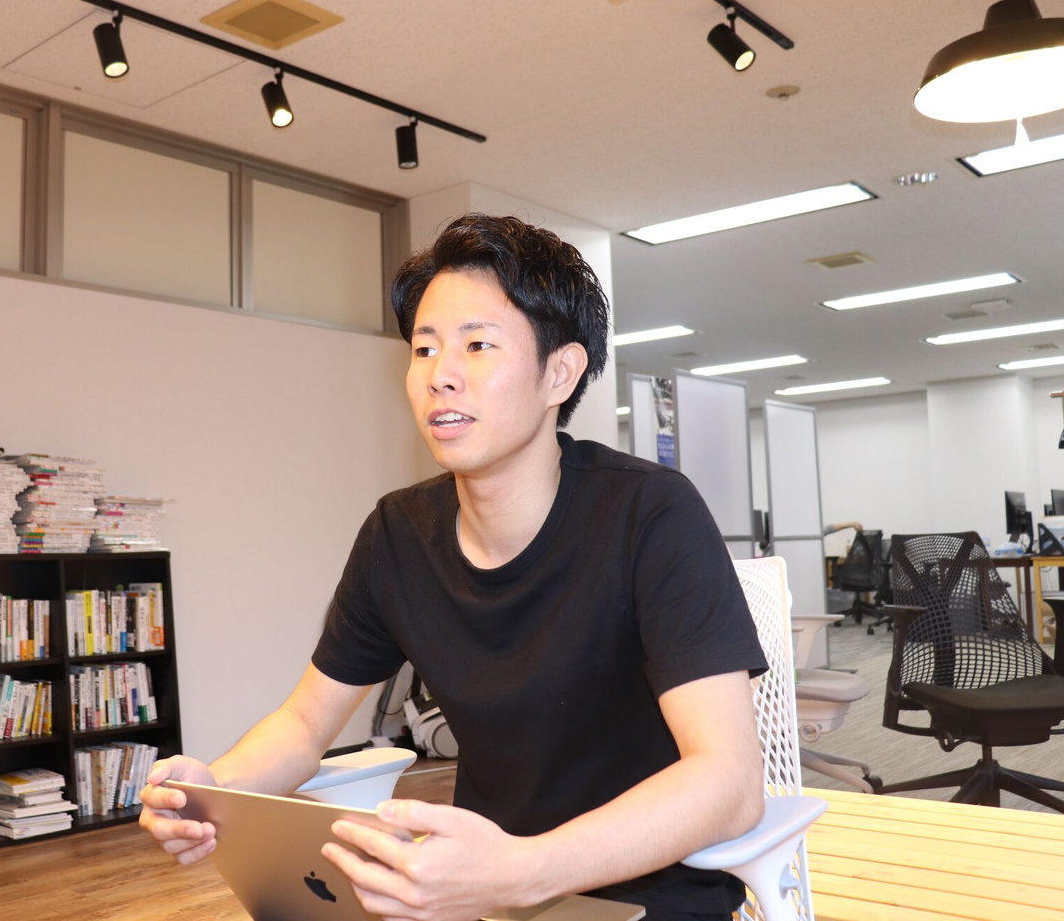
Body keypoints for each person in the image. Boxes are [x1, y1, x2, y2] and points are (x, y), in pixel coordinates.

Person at [139, 214, 768, 921]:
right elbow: (305, 724)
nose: (440, 376)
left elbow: (729, 780)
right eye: (424, 348)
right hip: (471, 892)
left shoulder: (649, 513)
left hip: (645, 895)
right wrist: (210, 788)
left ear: (560, 372)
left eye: (477, 345)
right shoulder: (398, 534)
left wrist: (525, 872)